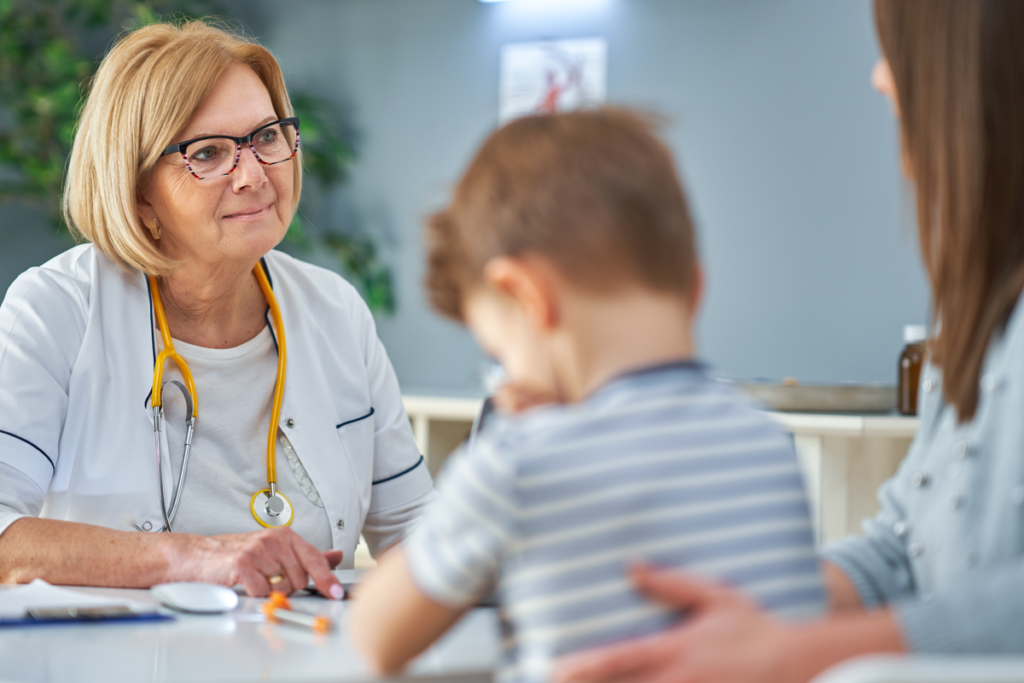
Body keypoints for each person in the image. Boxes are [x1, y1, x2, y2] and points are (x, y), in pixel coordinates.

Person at [552, 2, 1024, 682]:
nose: (879, 78)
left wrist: (791, 653)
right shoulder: (989, 307)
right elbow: (904, 543)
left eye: (896, 50)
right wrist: (745, 606)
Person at [351, 108, 826, 682]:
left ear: (527, 297)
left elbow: (376, 639)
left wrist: (488, 473)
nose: (507, 376)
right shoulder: (769, 445)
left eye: (501, 354)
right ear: (695, 287)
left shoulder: (524, 461)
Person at [0, 21, 434, 598]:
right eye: (207, 153)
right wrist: (196, 557)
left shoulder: (335, 310)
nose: (254, 176)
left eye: (268, 137)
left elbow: (412, 530)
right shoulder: (56, 309)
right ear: (138, 195)